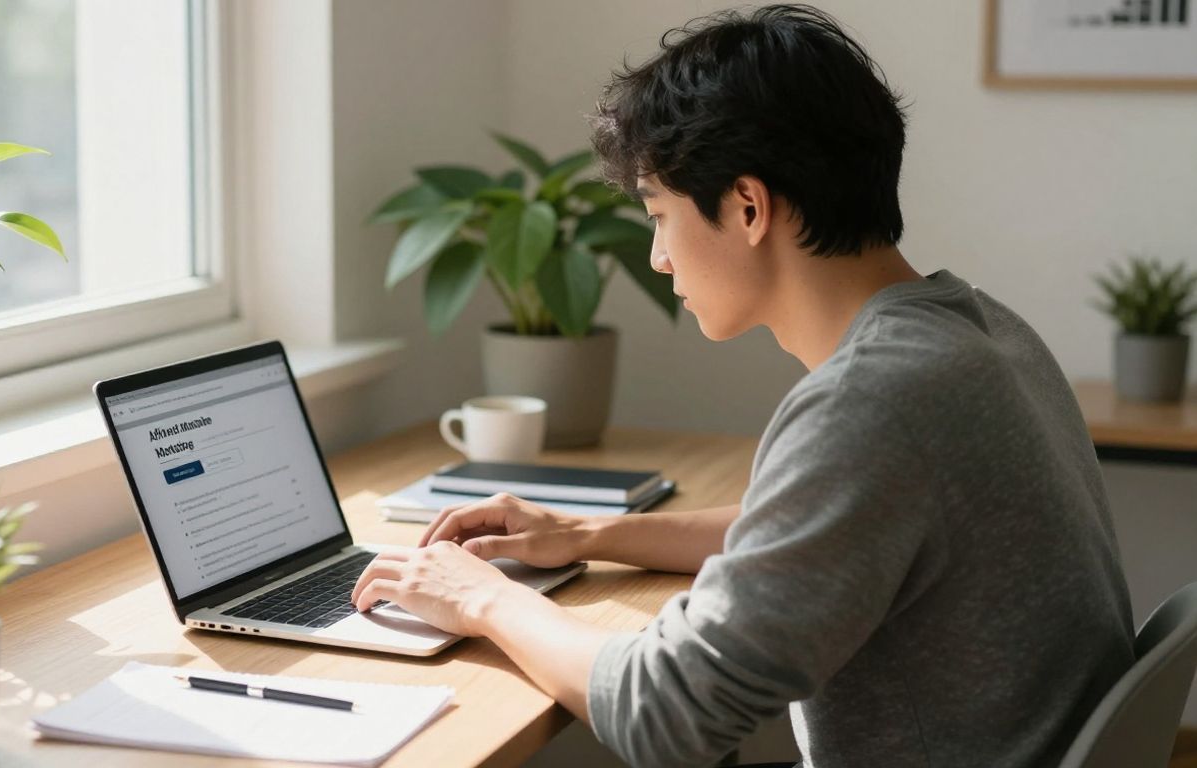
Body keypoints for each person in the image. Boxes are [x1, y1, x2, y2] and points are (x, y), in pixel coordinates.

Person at [351, 5, 1135, 767]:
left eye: (659, 214)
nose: (658, 257)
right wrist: (586, 535)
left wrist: (482, 598)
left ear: (749, 206)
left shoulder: (872, 401)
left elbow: (668, 715)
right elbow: (814, 533)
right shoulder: (981, 330)